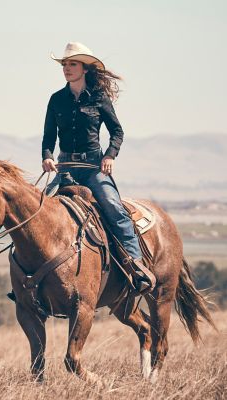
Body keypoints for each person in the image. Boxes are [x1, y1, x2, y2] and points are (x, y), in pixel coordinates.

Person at [41, 42, 155, 294]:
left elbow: (117, 131)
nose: (67, 69)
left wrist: (110, 155)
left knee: (114, 208)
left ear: (84, 68)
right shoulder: (56, 100)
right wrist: (47, 156)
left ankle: (137, 266)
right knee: (36, 209)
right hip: (64, 169)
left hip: (94, 168)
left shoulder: (99, 98)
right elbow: (48, 136)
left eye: (72, 64)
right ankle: (29, 279)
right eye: (64, 64)